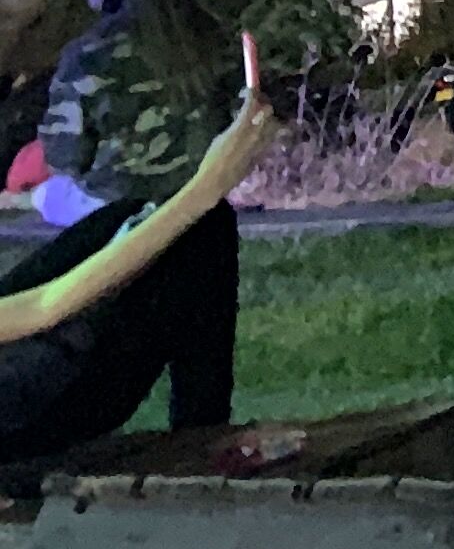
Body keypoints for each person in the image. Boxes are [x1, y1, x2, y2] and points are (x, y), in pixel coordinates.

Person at [30, 0, 245, 425]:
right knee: (203, 373)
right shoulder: (218, 41)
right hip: (204, 219)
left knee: (49, 198)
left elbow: (64, 153)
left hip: (116, 225)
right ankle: (201, 453)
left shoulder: (91, 55)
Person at [0, 81, 275, 462]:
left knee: (159, 221)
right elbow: (45, 307)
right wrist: (204, 189)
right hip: (22, 419)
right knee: (200, 228)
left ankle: (201, 440)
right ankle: (199, 448)